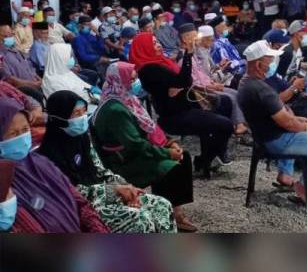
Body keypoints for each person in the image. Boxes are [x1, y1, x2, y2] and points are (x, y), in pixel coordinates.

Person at [39, 91, 176, 233]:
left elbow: (100, 170)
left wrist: (127, 189)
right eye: (76, 114)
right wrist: (115, 191)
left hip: (106, 195)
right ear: (59, 118)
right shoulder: (48, 156)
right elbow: (72, 193)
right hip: (82, 207)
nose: (82, 117)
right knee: (140, 217)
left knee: (162, 205)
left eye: (84, 112)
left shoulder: (82, 139)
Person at [92, 62, 196, 231]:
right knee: (171, 167)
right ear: (120, 80)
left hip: (133, 151)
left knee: (184, 157)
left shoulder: (126, 98)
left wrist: (169, 143)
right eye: (131, 79)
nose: (136, 82)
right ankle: (170, 214)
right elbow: (135, 144)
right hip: (125, 160)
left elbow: (149, 128)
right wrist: (167, 154)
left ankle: (174, 209)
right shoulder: (115, 109)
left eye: (135, 78)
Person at [237, 40, 307, 205]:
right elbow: (287, 124)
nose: (272, 64)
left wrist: (297, 119)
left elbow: (279, 113)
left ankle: (296, 182)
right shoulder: (260, 89)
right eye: (270, 61)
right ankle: (306, 192)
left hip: (267, 136)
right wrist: (305, 127)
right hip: (276, 140)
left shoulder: (246, 82)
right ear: (260, 65)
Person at [129, 32, 234, 177]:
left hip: (187, 106)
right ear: (144, 47)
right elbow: (183, 81)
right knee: (226, 125)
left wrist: (180, 84)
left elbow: (185, 81)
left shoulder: (162, 62)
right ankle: (206, 159)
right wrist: (188, 54)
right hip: (175, 115)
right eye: (153, 43)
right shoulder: (149, 69)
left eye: (157, 41)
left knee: (224, 106)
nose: (158, 45)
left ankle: (209, 157)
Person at [0, 98, 110, 233]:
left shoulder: (42, 163)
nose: (22, 137)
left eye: (25, 129)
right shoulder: (4, 184)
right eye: (13, 133)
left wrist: (98, 229)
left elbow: (79, 201)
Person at [193, 25, 247, 134]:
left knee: (236, 91)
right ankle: (238, 124)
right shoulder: (199, 53)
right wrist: (221, 71)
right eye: (210, 39)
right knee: (231, 95)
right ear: (203, 40)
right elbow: (205, 75)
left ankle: (239, 122)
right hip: (204, 86)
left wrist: (220, 66)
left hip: (211, 81)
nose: (213, 41)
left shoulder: (204, 50)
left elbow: (211, 69)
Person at [0, 23, 44, 103]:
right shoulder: (1, 56)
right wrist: (32, 84)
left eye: (10, 35)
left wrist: (37, 77)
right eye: (5, 36)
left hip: (34, 85)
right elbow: (9, 79)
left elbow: (28, 66)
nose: (9, 38)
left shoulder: (15, 49)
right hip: (23, 92)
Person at [0, 78, 46, 148]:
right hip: (9, 139)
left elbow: (27, 100)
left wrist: (36, 110)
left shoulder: (2, 86)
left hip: (27, 124)